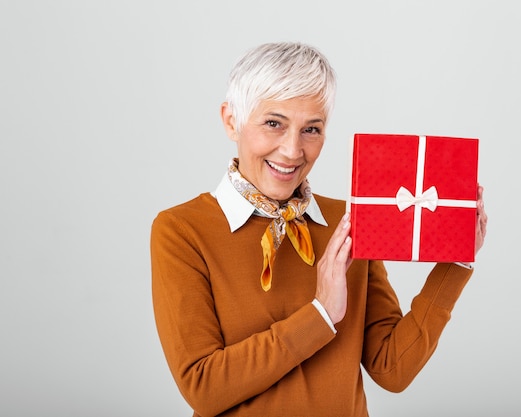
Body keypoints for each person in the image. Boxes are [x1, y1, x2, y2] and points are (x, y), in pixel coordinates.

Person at [150, 41, 488, 417]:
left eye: (311, 129)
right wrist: (321, 314)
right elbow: (204, 388)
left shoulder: (350, 221)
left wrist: (455, 264)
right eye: (274, 123)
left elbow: (392, 369)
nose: (293, 150)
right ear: (232, 120)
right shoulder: (181, 230)